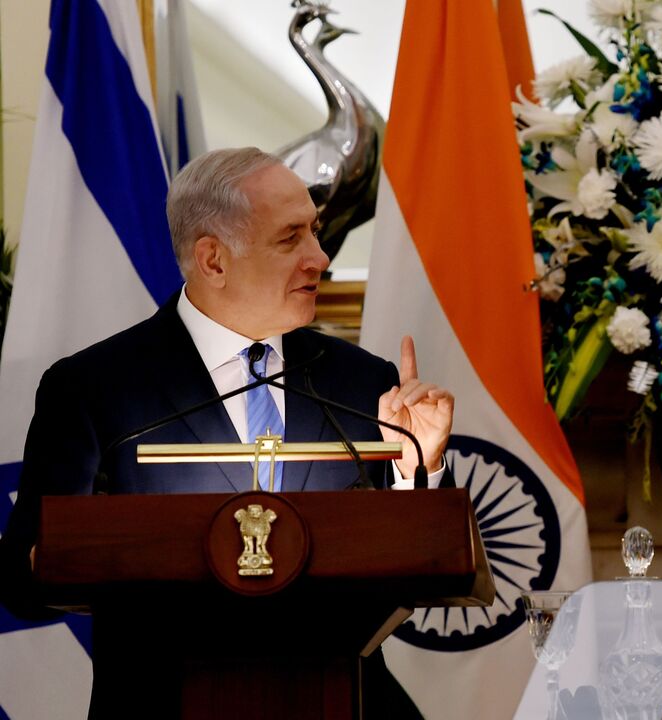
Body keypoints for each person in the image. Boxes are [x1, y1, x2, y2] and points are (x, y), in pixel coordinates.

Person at [0, 147, 452, 718]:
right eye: (292, 238)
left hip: (346, 701)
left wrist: (421, 469)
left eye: (315, 231)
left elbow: (419, 569)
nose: (321, 257)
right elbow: (23, 580)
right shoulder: (95, 389)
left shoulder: (364, 381)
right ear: (213, 260)